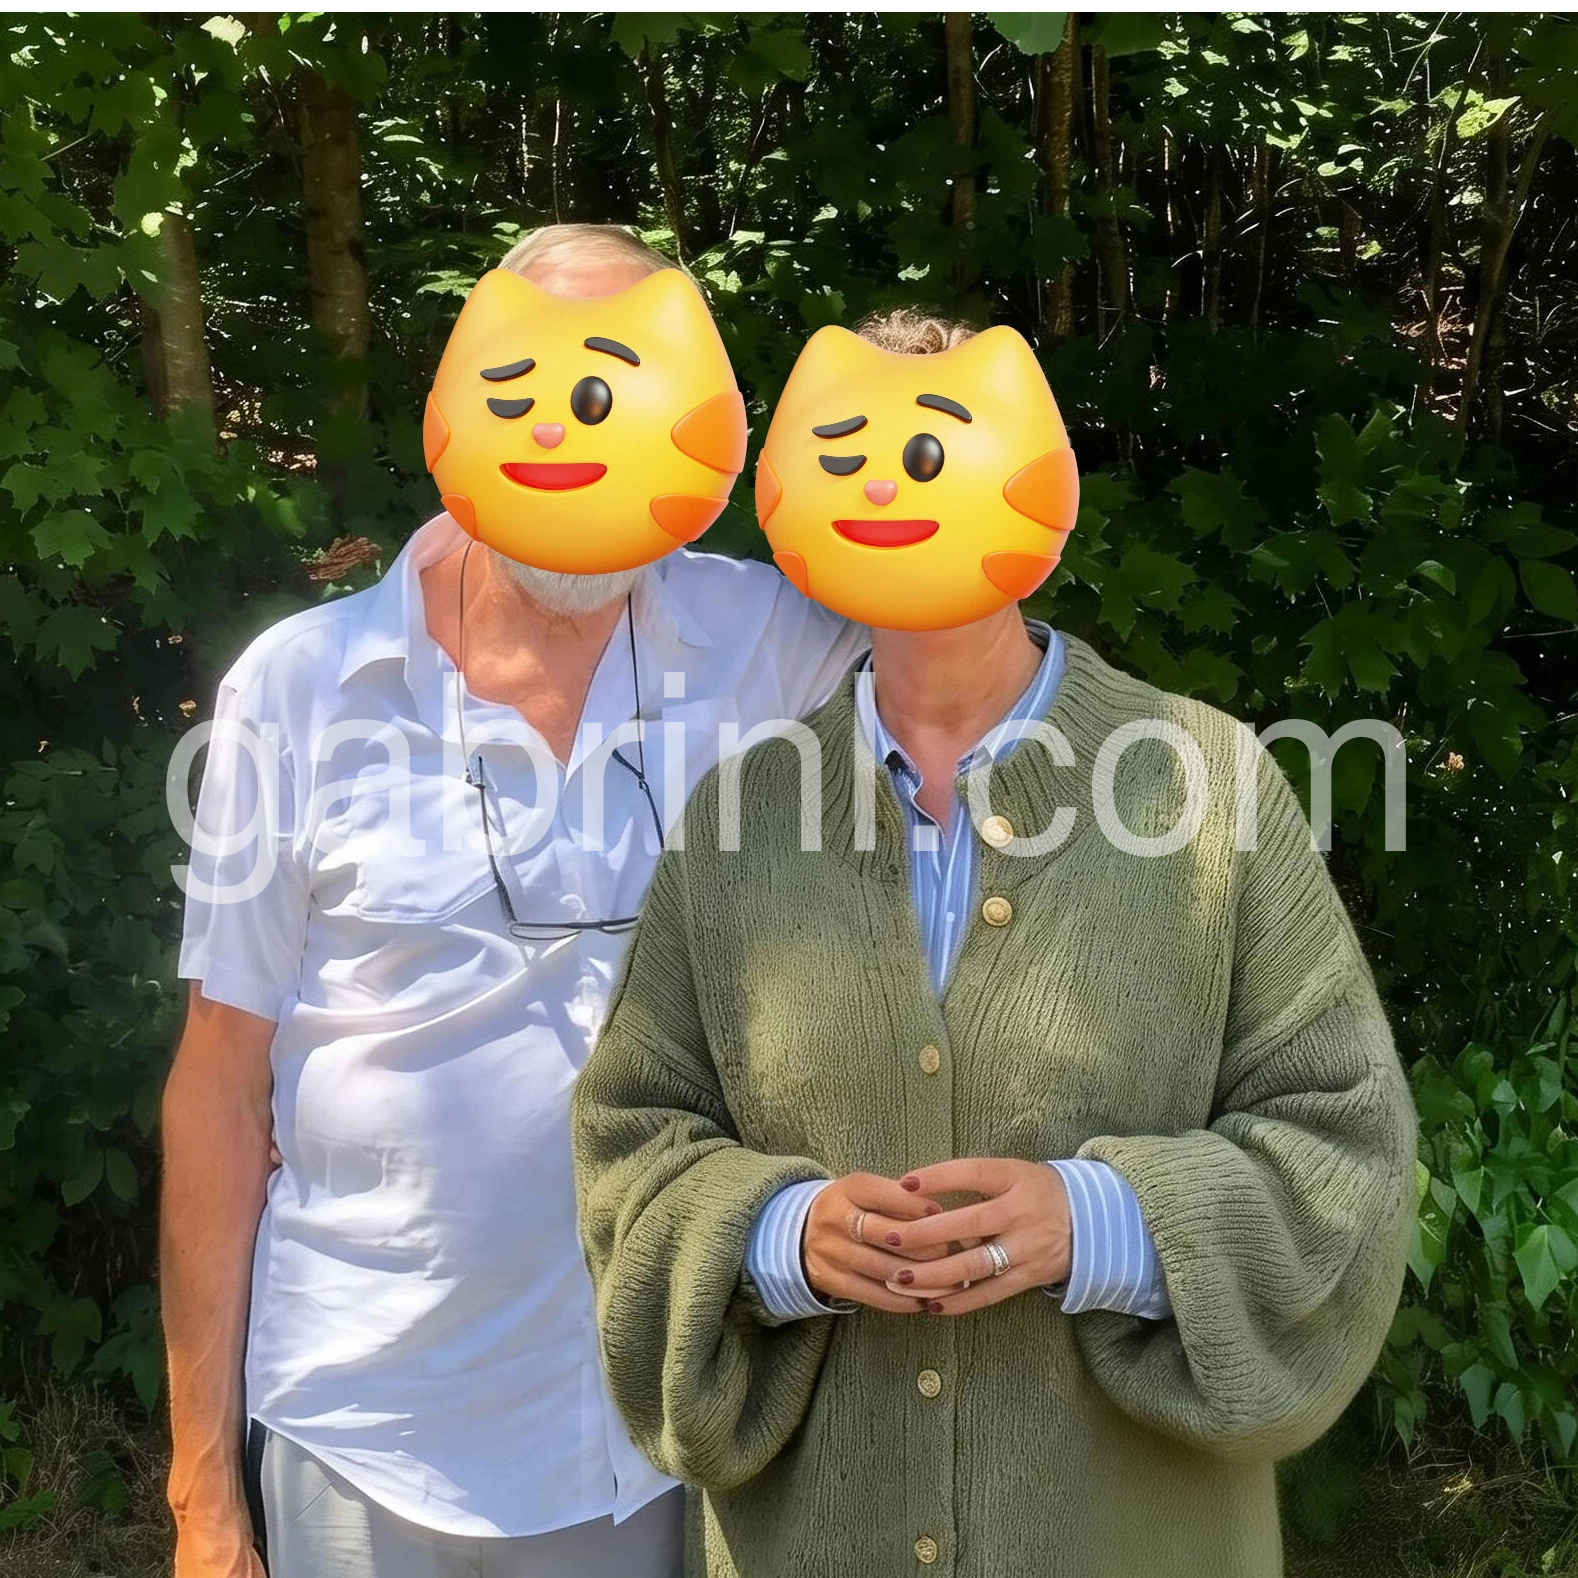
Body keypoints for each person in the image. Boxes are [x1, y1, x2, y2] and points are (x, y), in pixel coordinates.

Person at [572, 309, 1418, 1577]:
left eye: (932, 456)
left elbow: (1347, 1147)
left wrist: (1102, 1221)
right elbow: (631, 1144)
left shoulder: (1207, 786)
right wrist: (776, 1238)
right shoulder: (739, 819)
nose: (891, 490)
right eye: (848, 457)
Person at [160, 222, 864, 1578]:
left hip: (648, 1421)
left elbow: (969, 659)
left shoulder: (771, 641)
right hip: (359, 1422)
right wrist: (202, 1493)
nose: (571, 440)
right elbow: (219, 1085)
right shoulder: (300, 688)